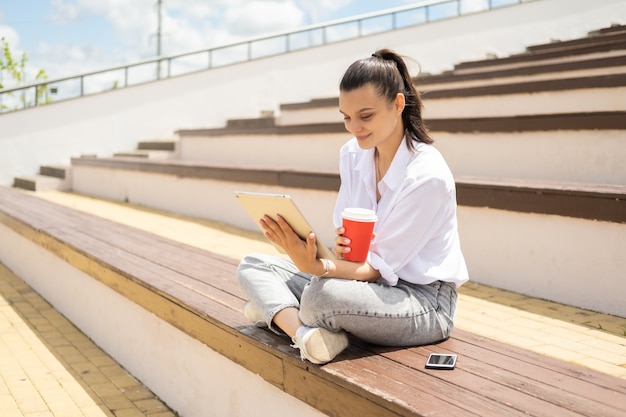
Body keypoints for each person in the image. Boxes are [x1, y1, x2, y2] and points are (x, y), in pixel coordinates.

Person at [237, 49, 469, 365]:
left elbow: (378, 268)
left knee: (321, 296)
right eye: (346, 117)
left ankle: (279, 314)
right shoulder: (353, 154)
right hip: (360, 282)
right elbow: (352, 253)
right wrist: (308, 253)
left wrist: (318, 269)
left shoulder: (426, 176)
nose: (354, 127)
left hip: (421, 300)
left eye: (365, 116)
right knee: (255, 265)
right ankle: (305, 334)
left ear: (397, 104)